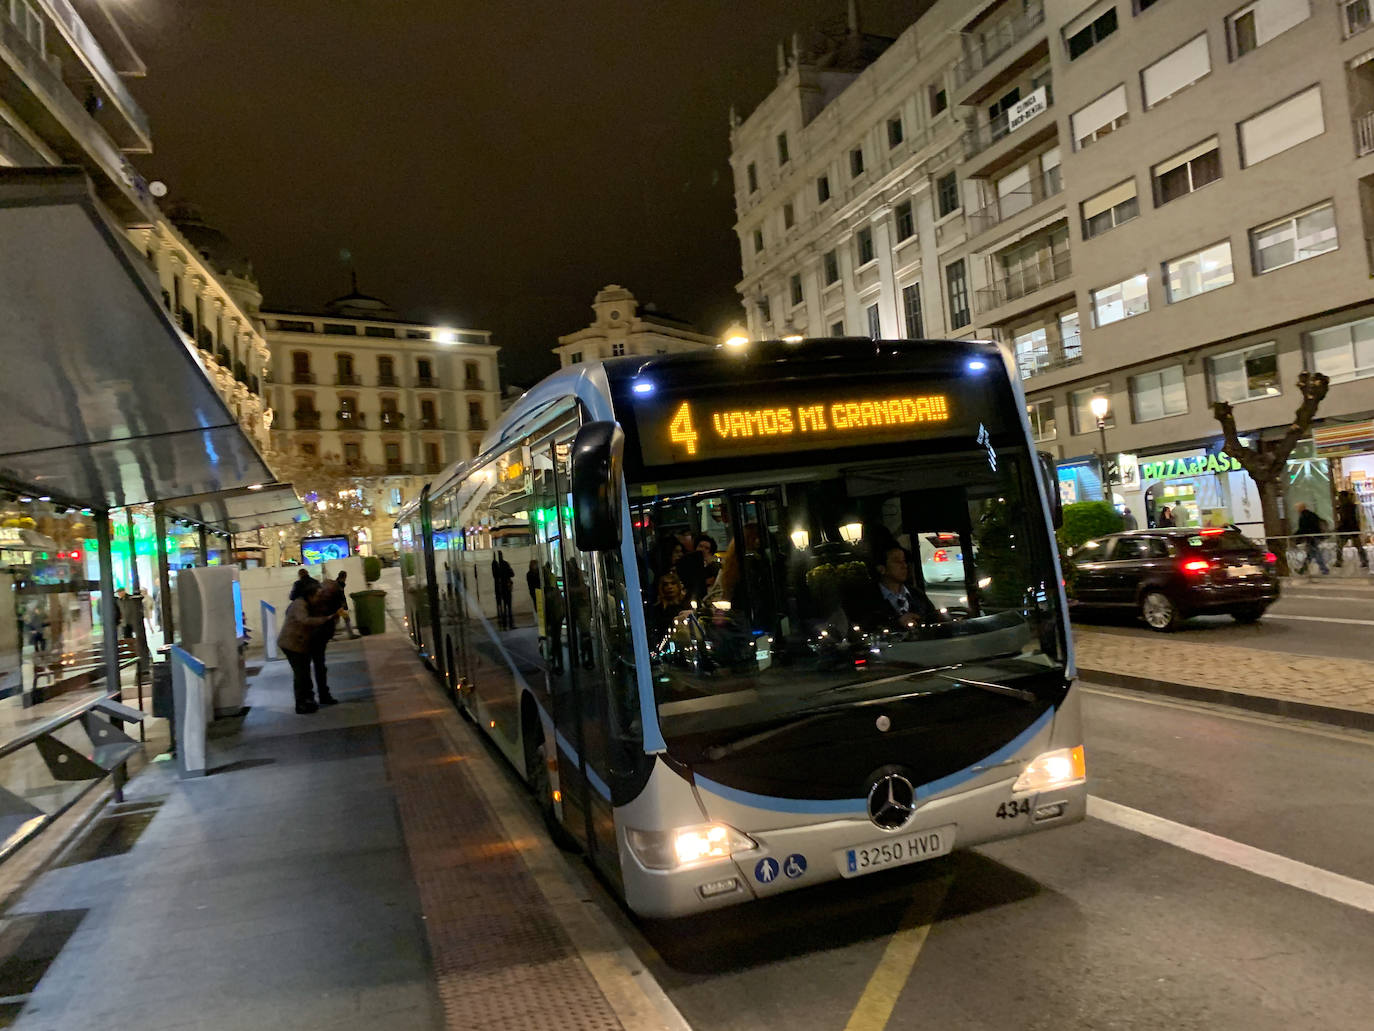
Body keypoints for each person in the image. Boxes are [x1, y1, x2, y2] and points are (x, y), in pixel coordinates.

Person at [276, 580, 342, 713]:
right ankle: (303, 702)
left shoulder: (315, 602)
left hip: (307, 641)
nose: (322, 595)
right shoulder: (301, 604)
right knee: (302, 673)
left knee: (307, 672)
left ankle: (309, 699)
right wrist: (325, 619)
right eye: (321, 593)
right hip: (296, 643)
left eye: (327, 592)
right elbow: (304, 620)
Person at [872, 545, 942, 627]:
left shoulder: (917, 594)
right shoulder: (868, 599)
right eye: (897, 562)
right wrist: (896, 624)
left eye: (904, 561)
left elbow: (933, 620)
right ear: (881, 568)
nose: (904, 566)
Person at [647, 572, 690, 641]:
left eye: (673, 583)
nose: (670, 587)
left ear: (678, 586)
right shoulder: (657, 610)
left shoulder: (687, 606)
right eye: (666, 585)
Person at [1334, 489, 1369, 570]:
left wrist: (1340, 527)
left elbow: (1345, 519)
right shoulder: (1351, 506)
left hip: (1346, 529)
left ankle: (1339, 561)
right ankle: (1364, 561)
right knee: (1358, 546)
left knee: (1340, 546)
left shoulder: (1344, 507)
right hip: (1353, 529)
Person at [1294, 502, 1329, 576]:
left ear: (1301, 508)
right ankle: (1303, 569)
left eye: (1297, 508)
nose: (1296, 510)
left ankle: (1324, 570)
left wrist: (1295, 536)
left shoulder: (1304, 516)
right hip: (1314, 536)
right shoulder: (1311, 514)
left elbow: (1303, 528)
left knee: (1315, 553)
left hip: (1311, 538)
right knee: (1311, 554)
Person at [333, 570, 361, 638]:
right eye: (345, 577)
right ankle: (351, 635)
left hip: (337, 606)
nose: (346, 579)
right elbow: (340, 596)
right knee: (346, 619)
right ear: (344, 577)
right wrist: (343, 605)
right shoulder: (339, 584)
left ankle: (329, 635)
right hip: (338, 606)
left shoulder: (338, 583)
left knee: (336, 620)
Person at [492, 550, 516, 629]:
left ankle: (504, 624)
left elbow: (495, 576)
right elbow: (512, 574)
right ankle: (510, 624)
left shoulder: (495, 565)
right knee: (508, 607)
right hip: (506, 588)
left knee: (502, 607)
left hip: (500, 589)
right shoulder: (505, 564)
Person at [526, 559, 541, 629]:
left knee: (538, 605)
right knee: (537, 606)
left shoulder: (536, 573)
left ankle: (540, 619)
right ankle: (539, 619)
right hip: (535, 592)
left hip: (536, 591)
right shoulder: (530, 574)